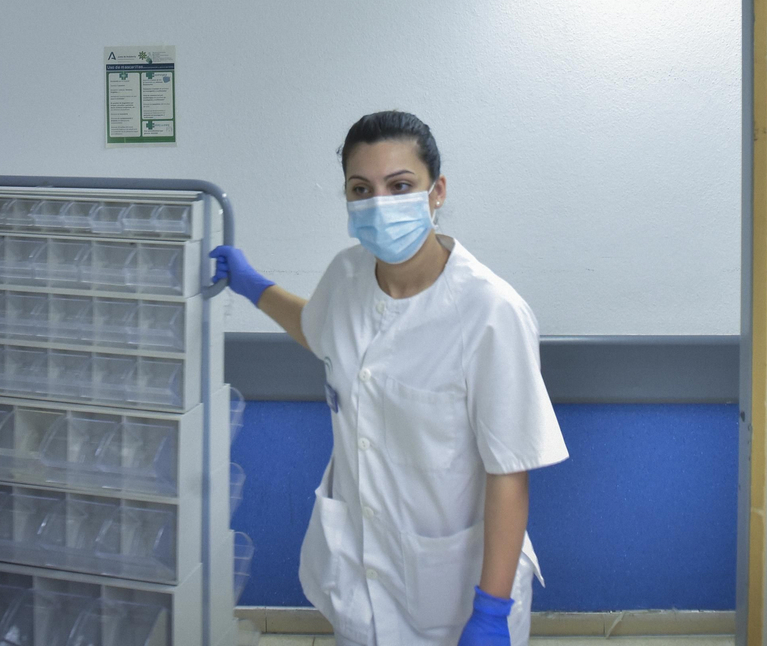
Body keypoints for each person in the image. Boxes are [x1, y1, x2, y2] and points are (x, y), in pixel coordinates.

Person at [210, 111, 567, 646]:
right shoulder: (348, 275)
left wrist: (491, 610)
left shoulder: (490, 312)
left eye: (399, 185)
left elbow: (510, 472)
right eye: (361, 189)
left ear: (436, 191)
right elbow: (321, 332)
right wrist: (250, 283)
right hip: (360, 572)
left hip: (455, 586)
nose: (379, 203)